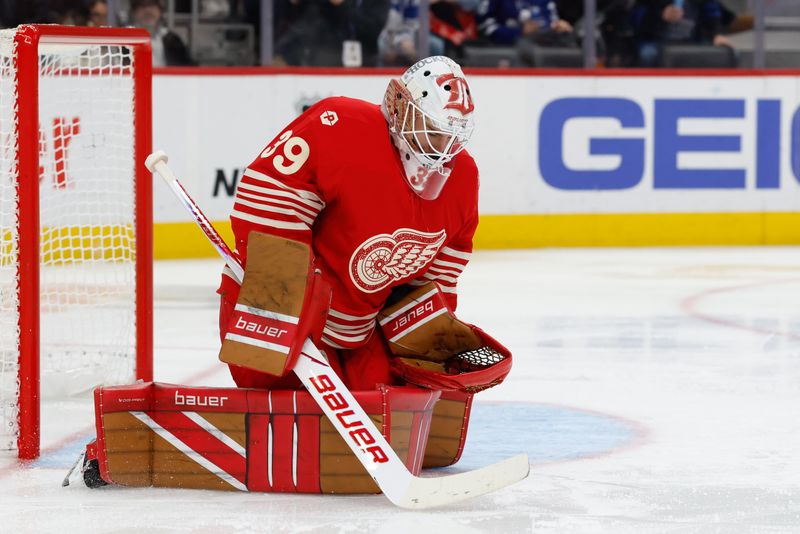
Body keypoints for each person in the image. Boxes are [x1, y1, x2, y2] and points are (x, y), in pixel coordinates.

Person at [218, 56, 486, 392]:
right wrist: (296, 293)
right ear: (399, 105)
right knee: (278, 395)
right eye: (431, 129)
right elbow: (267, 194)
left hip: (360, 327)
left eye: (450, 136)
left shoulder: (462, 176)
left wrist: (427, 332)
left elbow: (441, 271)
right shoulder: (341, 124)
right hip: (285, 306)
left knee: (389, 405)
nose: (441, 148)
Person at [631, 0, 735, 67]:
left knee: (729, 53)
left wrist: (717, 34)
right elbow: (635, 20)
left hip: (693, 42)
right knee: (647, 54)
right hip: (656, 41)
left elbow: (713, 14)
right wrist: (660, 16)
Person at [129, 0, 194, 66]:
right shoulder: (124, 40)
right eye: (142, 6)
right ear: (134, 12)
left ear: (160, 11)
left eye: (152, 6)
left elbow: (188, 69)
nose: (148, 11)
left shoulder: (172, 41)